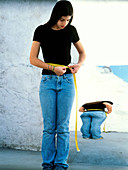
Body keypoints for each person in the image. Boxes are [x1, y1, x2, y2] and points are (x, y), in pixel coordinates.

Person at [29, 1, 86, 169]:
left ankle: (61, 164)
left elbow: (82, 52)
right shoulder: (41, 30)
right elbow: (33, 59)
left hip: (67, 82)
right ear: (55, 16)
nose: (64, 24)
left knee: (62, 127)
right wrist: (53, 68)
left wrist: (79, 64)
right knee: (49, 127)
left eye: (68, 20)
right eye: (62, 19)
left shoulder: (71, 30)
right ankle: (47, 164)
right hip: (47, 82)